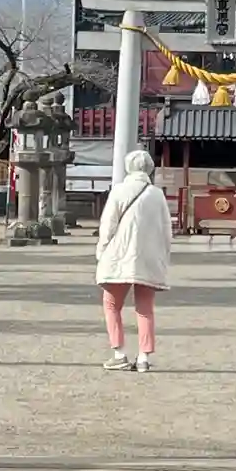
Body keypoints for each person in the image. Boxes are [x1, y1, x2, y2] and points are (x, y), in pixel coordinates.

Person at [95, 143, 172, 374]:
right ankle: (144, 358)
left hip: (119, 255)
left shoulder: (119, 191)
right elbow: (166, 230)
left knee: (111, 305)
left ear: (128, 167)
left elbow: (107, 225)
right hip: (148, 257)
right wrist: (164, 256)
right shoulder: (157, 195)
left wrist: (102, 250)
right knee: (145, 308)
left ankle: (119, 354)